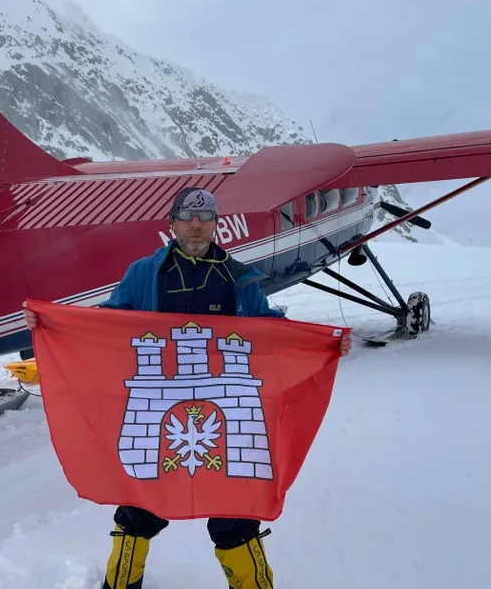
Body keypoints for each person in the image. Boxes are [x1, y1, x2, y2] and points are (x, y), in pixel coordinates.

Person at [23, 186, 351, 589]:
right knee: (140, 507)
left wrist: (324, 343)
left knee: (235, 512)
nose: (196, 225)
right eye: (187, 216)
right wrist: (54, 327)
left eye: (205, 217)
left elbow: (270, 332)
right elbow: (106, 328)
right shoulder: (144, 273)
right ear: (173, 223)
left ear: (216, 225)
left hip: (224, 411)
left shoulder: (238, 277)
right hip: (158, 399)